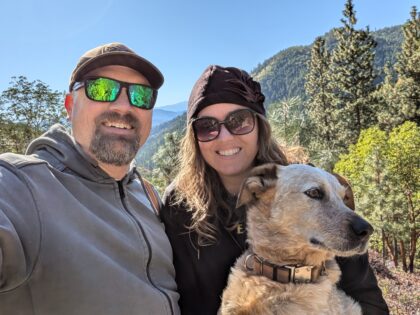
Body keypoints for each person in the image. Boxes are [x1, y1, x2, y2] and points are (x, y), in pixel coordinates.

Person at [161, 65, 389, 315]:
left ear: (260, 126)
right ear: (194, 138)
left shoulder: (308, 182)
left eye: (239, 121)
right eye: (207, 126)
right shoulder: (180, 203)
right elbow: (184, 299)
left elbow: (368, 300)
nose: (224, 137)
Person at [0, 43, 180, 315]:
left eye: (141, 95)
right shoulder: (23, 188)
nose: (123, 106)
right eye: (101, 89)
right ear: (70, 106)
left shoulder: (151, 197)